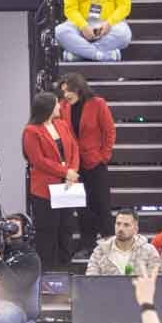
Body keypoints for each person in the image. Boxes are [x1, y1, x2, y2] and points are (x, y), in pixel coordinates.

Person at [57, 73, 115, 253]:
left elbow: (109, 131)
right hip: (75, 165)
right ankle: (87, 243)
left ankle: (109, 243)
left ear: (78, 88)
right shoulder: (64, 107)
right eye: (63, 91)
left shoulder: (97, 103)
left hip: (95, 162)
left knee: (102, 204)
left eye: (68, 90)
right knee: (82, 206)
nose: (66, 94)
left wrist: (103, 156)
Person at [22, 91, 79, 269]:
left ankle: (65, 267)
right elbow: (38, 160)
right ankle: (47, 271)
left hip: (67, 186)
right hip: (45, 190)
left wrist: (73, 171)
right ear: (47, 107)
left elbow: (74, 148)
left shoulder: (62, 124)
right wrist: (65, 172)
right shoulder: (31, 131)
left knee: (66, 229)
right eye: (56, 103)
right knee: (48, 232)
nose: (60, 106)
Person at [85, 208, 161, 276]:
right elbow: (91, 280)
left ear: (135, 229)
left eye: (126, 225)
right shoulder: (100, 251)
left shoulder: (149, 251)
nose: (120, 228)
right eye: (118, 224)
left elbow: (156, 280)